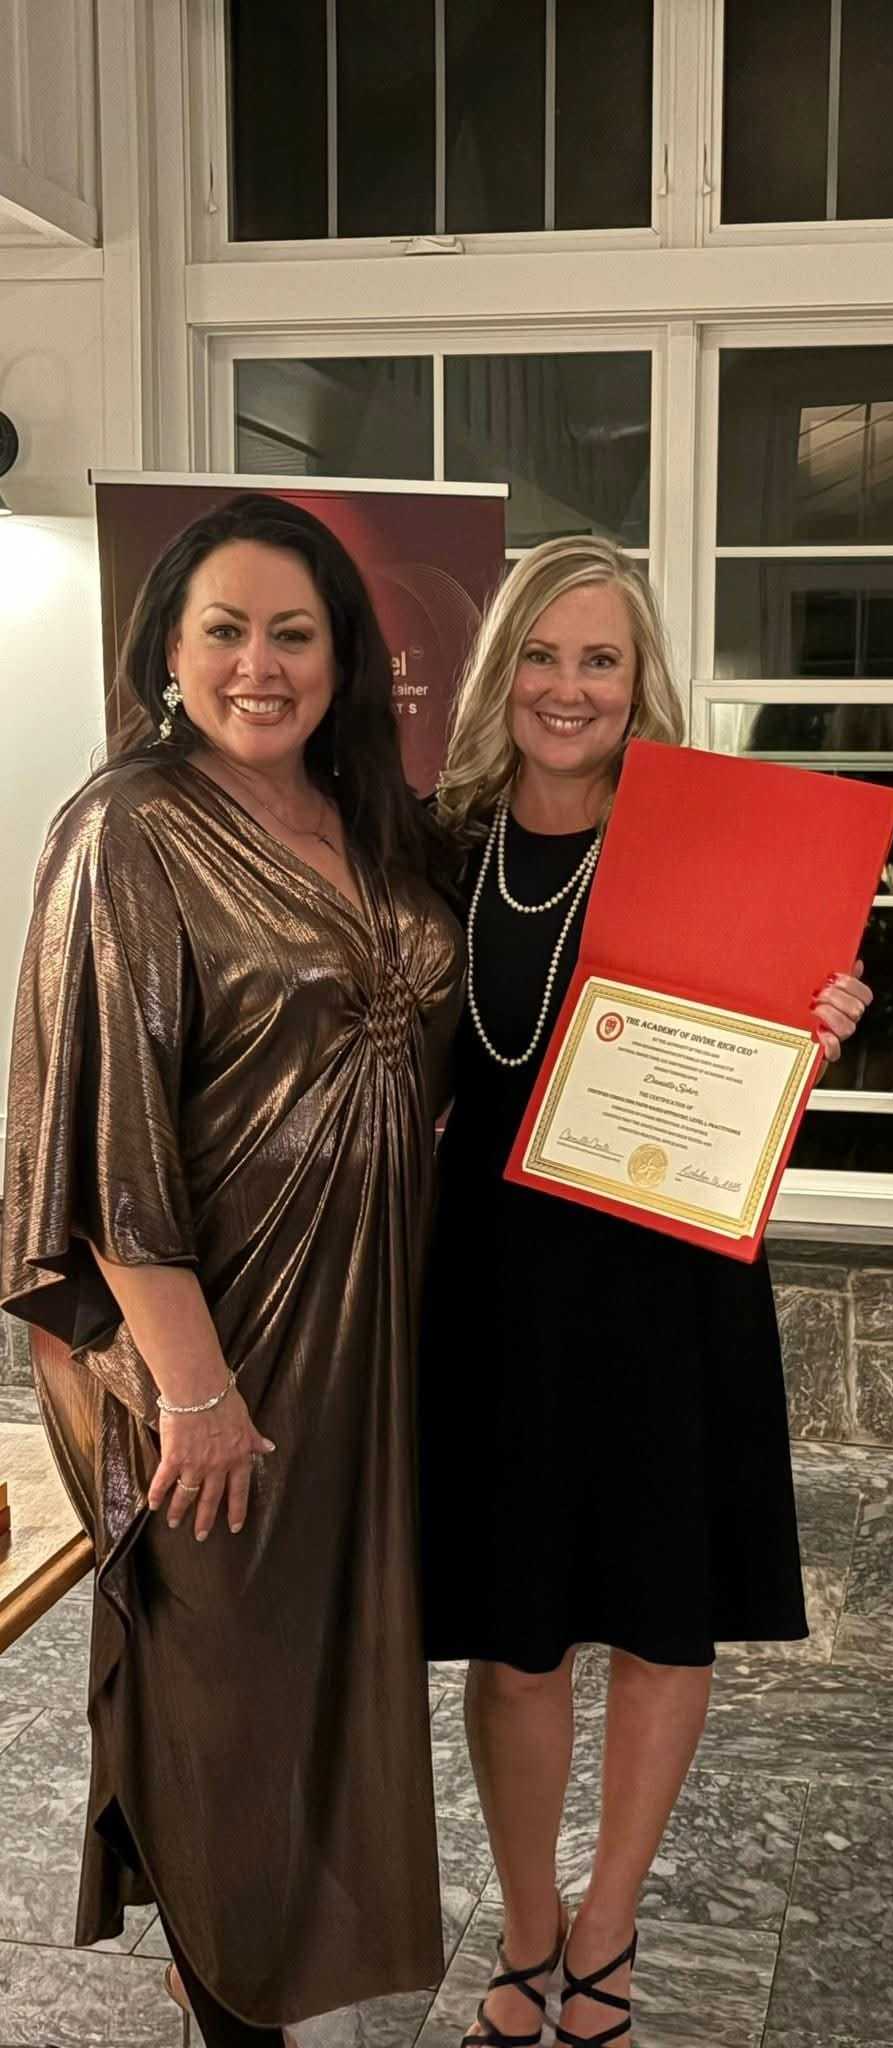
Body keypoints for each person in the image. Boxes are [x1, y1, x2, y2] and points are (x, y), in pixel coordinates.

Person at [1, 493, 463, 2046]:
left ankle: (287, 1970)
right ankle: (236, 2026)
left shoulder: (377, 823)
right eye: (224, 630)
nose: (258, 666)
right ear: (167, 648)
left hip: (369, 1339)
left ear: (344, 657)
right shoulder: (125, 827)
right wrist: (192, 1394)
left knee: (321, 1685)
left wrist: (771, 1009)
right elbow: (106, 1139)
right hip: (213, 1352)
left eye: (293, 633)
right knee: (219, 1701)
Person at [419, 536, 872, 2048]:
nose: (567, 687)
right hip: (488, 1293)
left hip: (670, 1283)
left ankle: (608, 1920)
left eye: (598, 660)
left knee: (664, 1619)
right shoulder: (432, 845)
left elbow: (753, 1089)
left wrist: (811, 1023)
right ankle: (528, 1914)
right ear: (501, 674)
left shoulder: (713, 842)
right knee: (517, 1629)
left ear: (639, 679)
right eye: (540, 655)